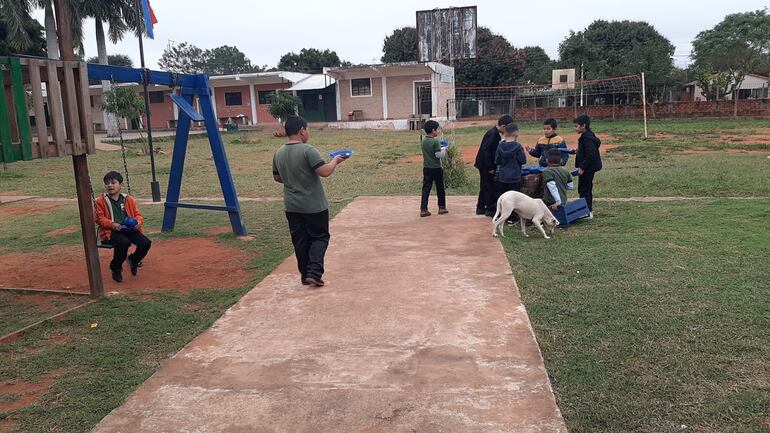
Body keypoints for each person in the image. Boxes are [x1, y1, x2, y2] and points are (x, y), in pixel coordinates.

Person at [272, 116, 345, 287]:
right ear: (302, 131)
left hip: (291, 206)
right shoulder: (308, 150)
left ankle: (305, 275)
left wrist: (293, 179)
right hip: (313, 206)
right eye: (308, 129)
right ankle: (314, 272)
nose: (308, 132)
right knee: (320, 237)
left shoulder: (279, 152)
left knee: (300, 240)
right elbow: (324, 172)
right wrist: (335, 161)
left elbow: (277, 177)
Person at [94, 171, 152, 283]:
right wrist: (112, 224)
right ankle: (116, 268)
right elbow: (99, 218)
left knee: (146, 243)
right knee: (123, 243)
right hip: (112, 231)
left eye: (113, 182)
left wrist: (138, 222)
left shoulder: (128, 199)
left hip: (129, 229)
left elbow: (137, 215)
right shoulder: (100, 201)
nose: (109, 185)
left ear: (121, 185)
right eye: (107, 183)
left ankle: (133, 260)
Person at [474, 114, 513, 216]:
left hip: (484, 164)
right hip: (486, 165)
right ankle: (490, 209)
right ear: (504, 127)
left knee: (484, 185)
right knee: (489, 186)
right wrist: (490, 167)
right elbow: (485, 150)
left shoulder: (494, 133)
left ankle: (480, 207)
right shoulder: (493, 134)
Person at [494, 123, 527, 219]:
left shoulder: (500, 146)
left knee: (503, 197)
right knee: (514, 198)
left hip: (503, 176)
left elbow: (497, 161)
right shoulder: (518, 147)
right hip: (515, 177)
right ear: (516, 135)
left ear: (505, 134)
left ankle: (502, 215)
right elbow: (523, 160)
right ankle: (512, 217)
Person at [573, 114, 602, 218]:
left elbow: (590, 155)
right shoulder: (587, 136)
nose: (575, 128)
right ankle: (585, 210)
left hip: (588, 168)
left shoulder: (587, 139)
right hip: (588, 167)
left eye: (576, 126)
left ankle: (587, 212)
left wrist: (582, 167)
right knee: (584, 188)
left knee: (584, 189)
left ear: (583, 125)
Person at [420, 120, 448, 217]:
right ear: (433, 130)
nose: (438, 131)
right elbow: (438, 155)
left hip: (426, 168)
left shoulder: (424, 141)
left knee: (426, 188)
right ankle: (442, 207)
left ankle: (423, 209)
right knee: (440, 187)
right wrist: (444, 149)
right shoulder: (435, 141)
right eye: (437, 130)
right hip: (436, 168)